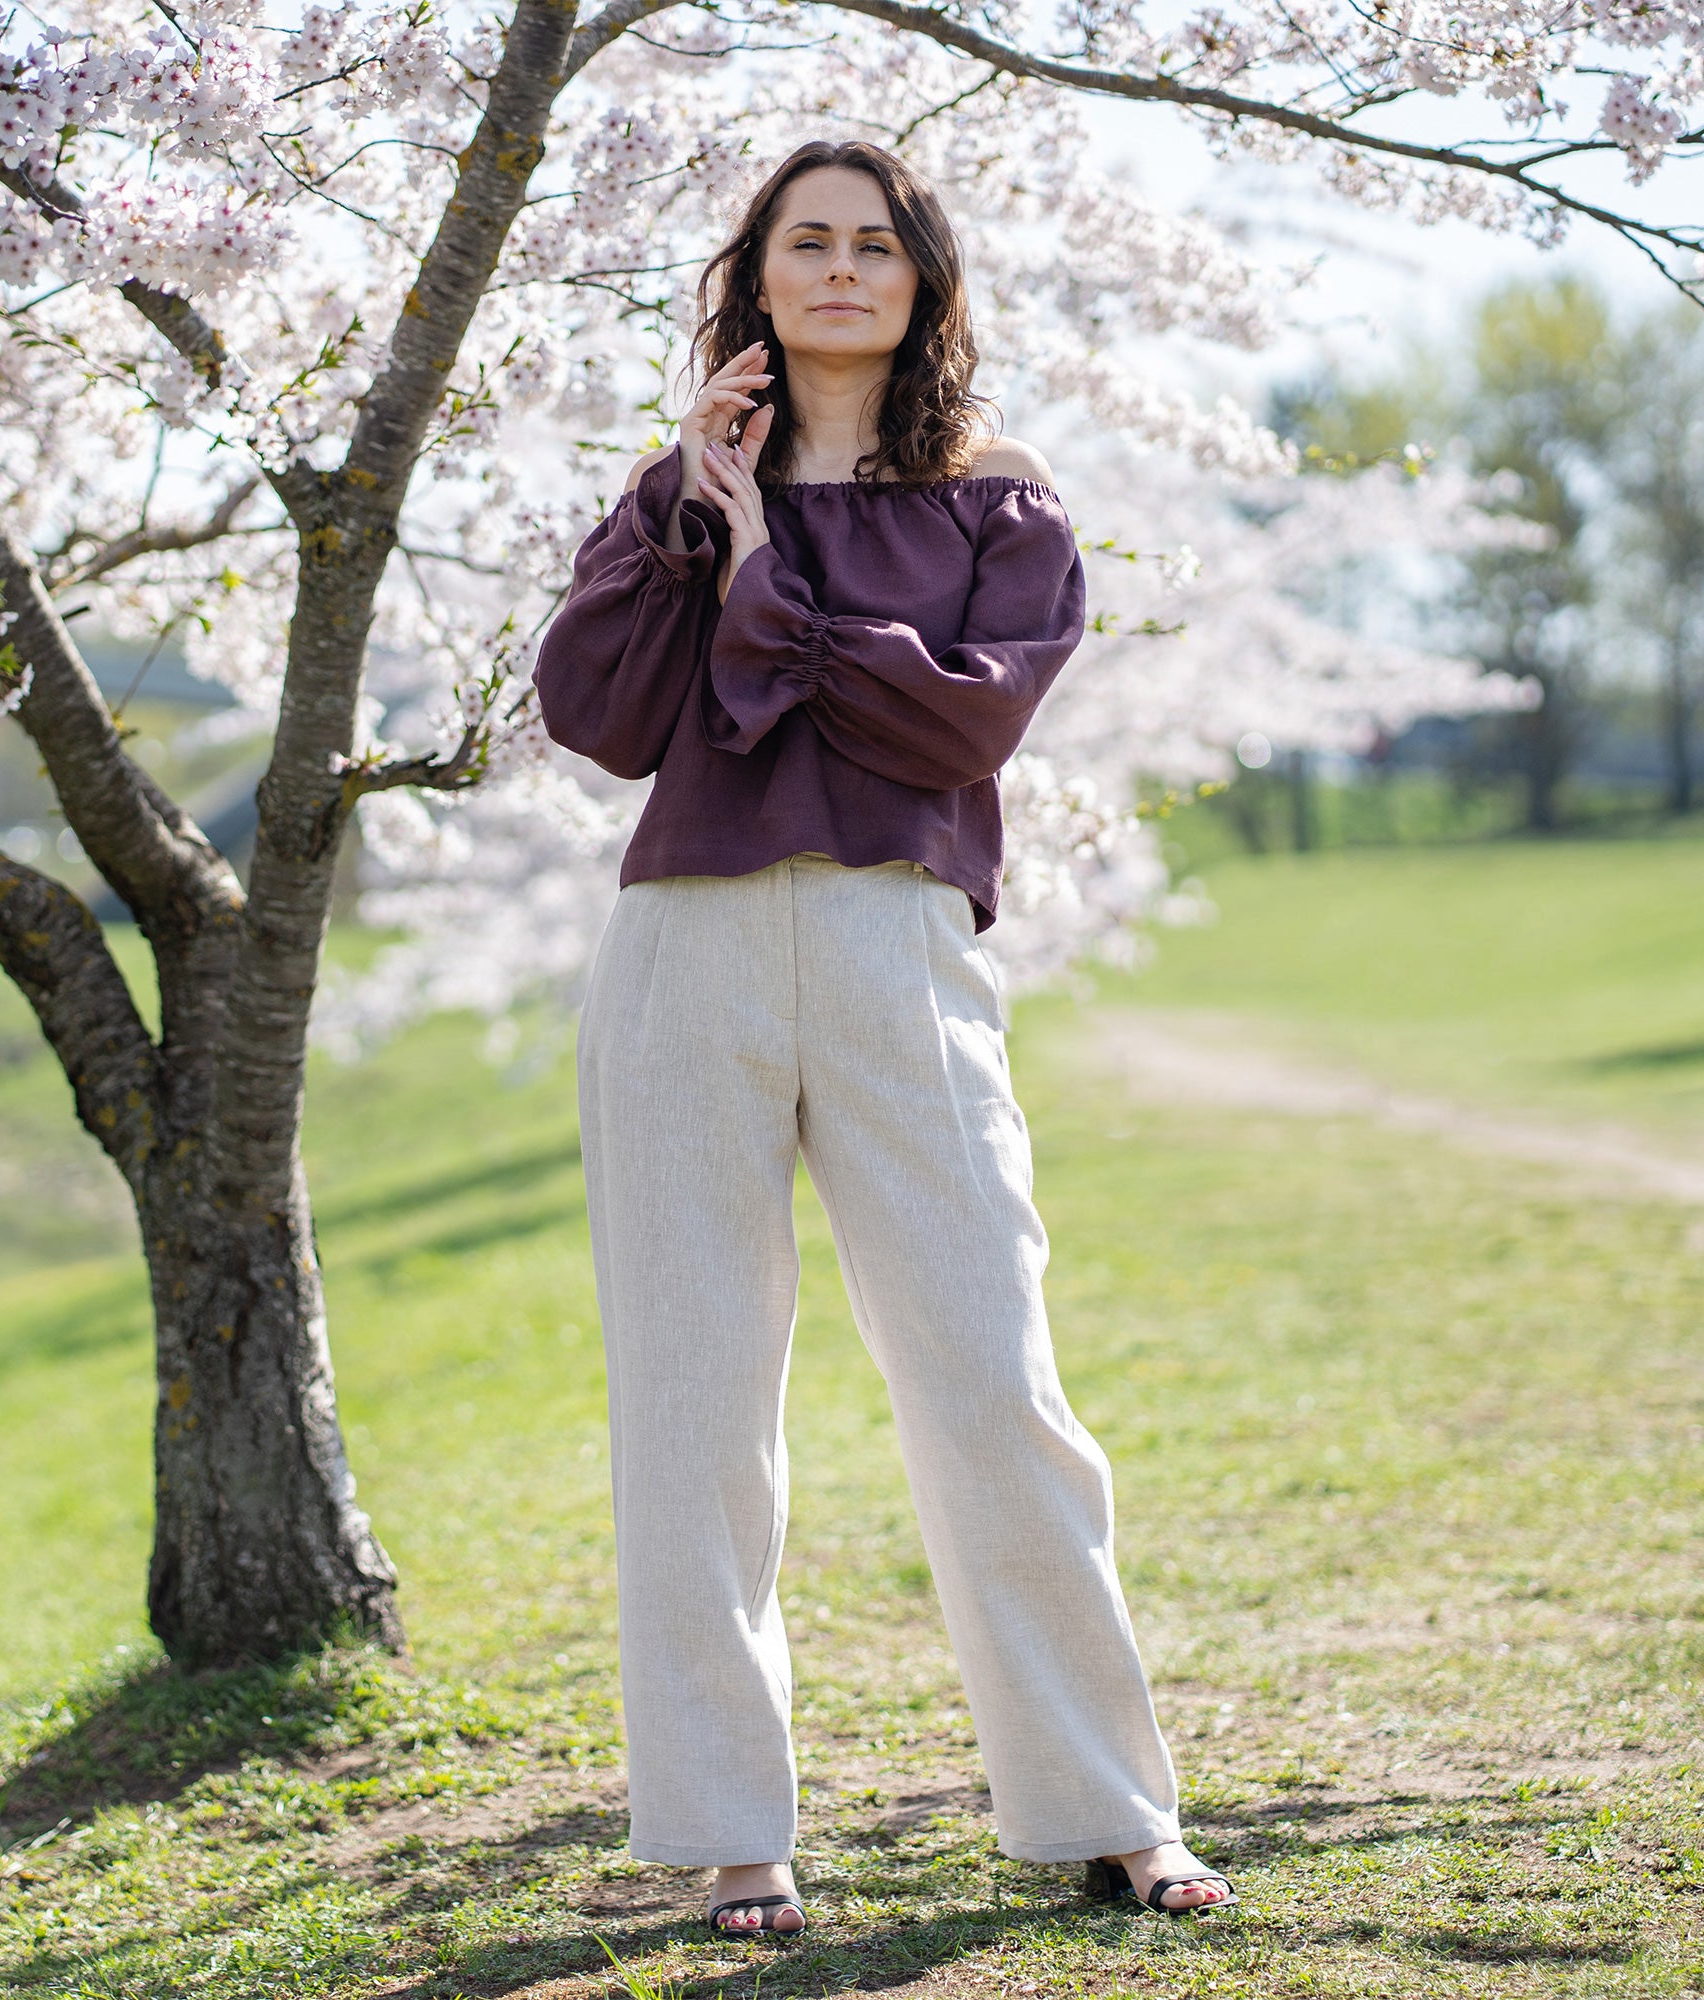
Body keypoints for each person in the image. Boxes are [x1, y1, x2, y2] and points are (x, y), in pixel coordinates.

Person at [533, 138, 1235, 1936]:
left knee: (995, 1381)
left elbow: (955, 735)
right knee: (691, 1407)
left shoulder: (999, 500)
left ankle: (1108, 1800)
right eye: (805, 243)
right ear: (755, 279)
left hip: (896, 944)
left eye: (875, 244)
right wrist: (700, 513)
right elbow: (599, 716)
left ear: (923, 280)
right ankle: (728, 1824)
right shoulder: (675, 488)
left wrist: (771, 568)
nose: (840, 269)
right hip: (683, 949)